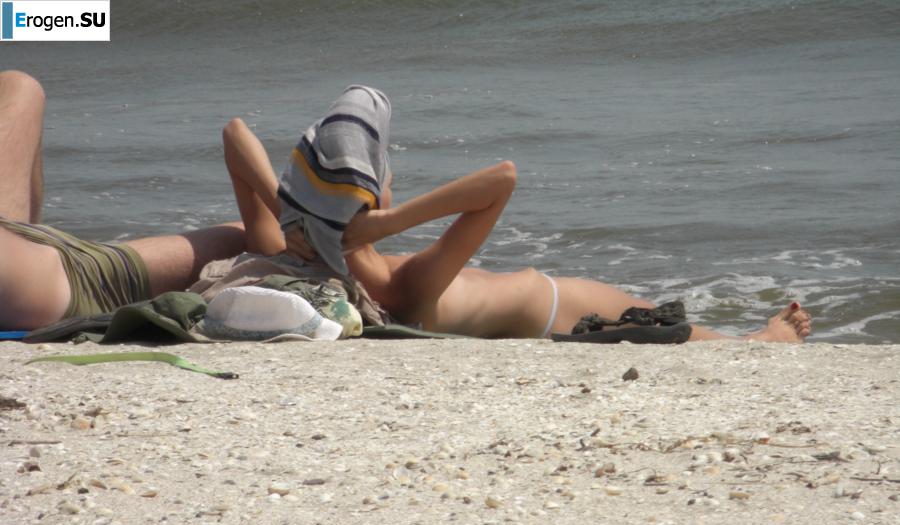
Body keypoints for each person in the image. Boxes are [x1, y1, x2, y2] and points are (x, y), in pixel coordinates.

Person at [221, 89, 812, 342]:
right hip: (557, 304)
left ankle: (754, 339)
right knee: (681, 331)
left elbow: (234, 135)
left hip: (335, 231)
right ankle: (765, 341)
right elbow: (501, 179)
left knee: (668, 323)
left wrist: (290, 208)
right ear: (371, 208)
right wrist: (381, 225)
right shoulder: (404, 288)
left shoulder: (291, 250)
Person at [0, 70, 257, 331]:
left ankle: (29, 252)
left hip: (21, 241)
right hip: (76, 279)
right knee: (243, 239)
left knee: (20, 85)